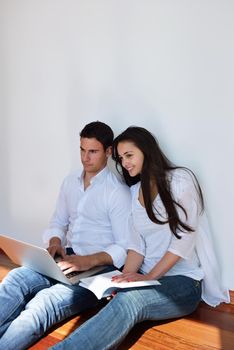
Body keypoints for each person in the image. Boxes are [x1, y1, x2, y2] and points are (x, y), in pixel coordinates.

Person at [50, 126, 230, 350]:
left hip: (183, 282)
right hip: (147, 276)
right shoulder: (135, 192)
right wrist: (124, 279)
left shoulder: (180, 180)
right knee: (112, 294)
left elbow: (184, 240)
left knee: (129, 302)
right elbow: (136, 247)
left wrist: (148, 277)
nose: (124, 163)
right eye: (120, 158)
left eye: (129, 155)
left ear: (146, 151)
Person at [0, 121, 132, 350]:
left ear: (109, 152)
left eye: (93, 151)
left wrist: (87, 261)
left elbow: (124, 246)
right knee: (15, 280)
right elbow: (58, 222)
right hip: (66, 258)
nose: (85, 157)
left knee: (42, 305)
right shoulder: (70, 182)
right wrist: (55, 243)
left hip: (97, 272)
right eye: (82, 150)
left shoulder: (116, 192)